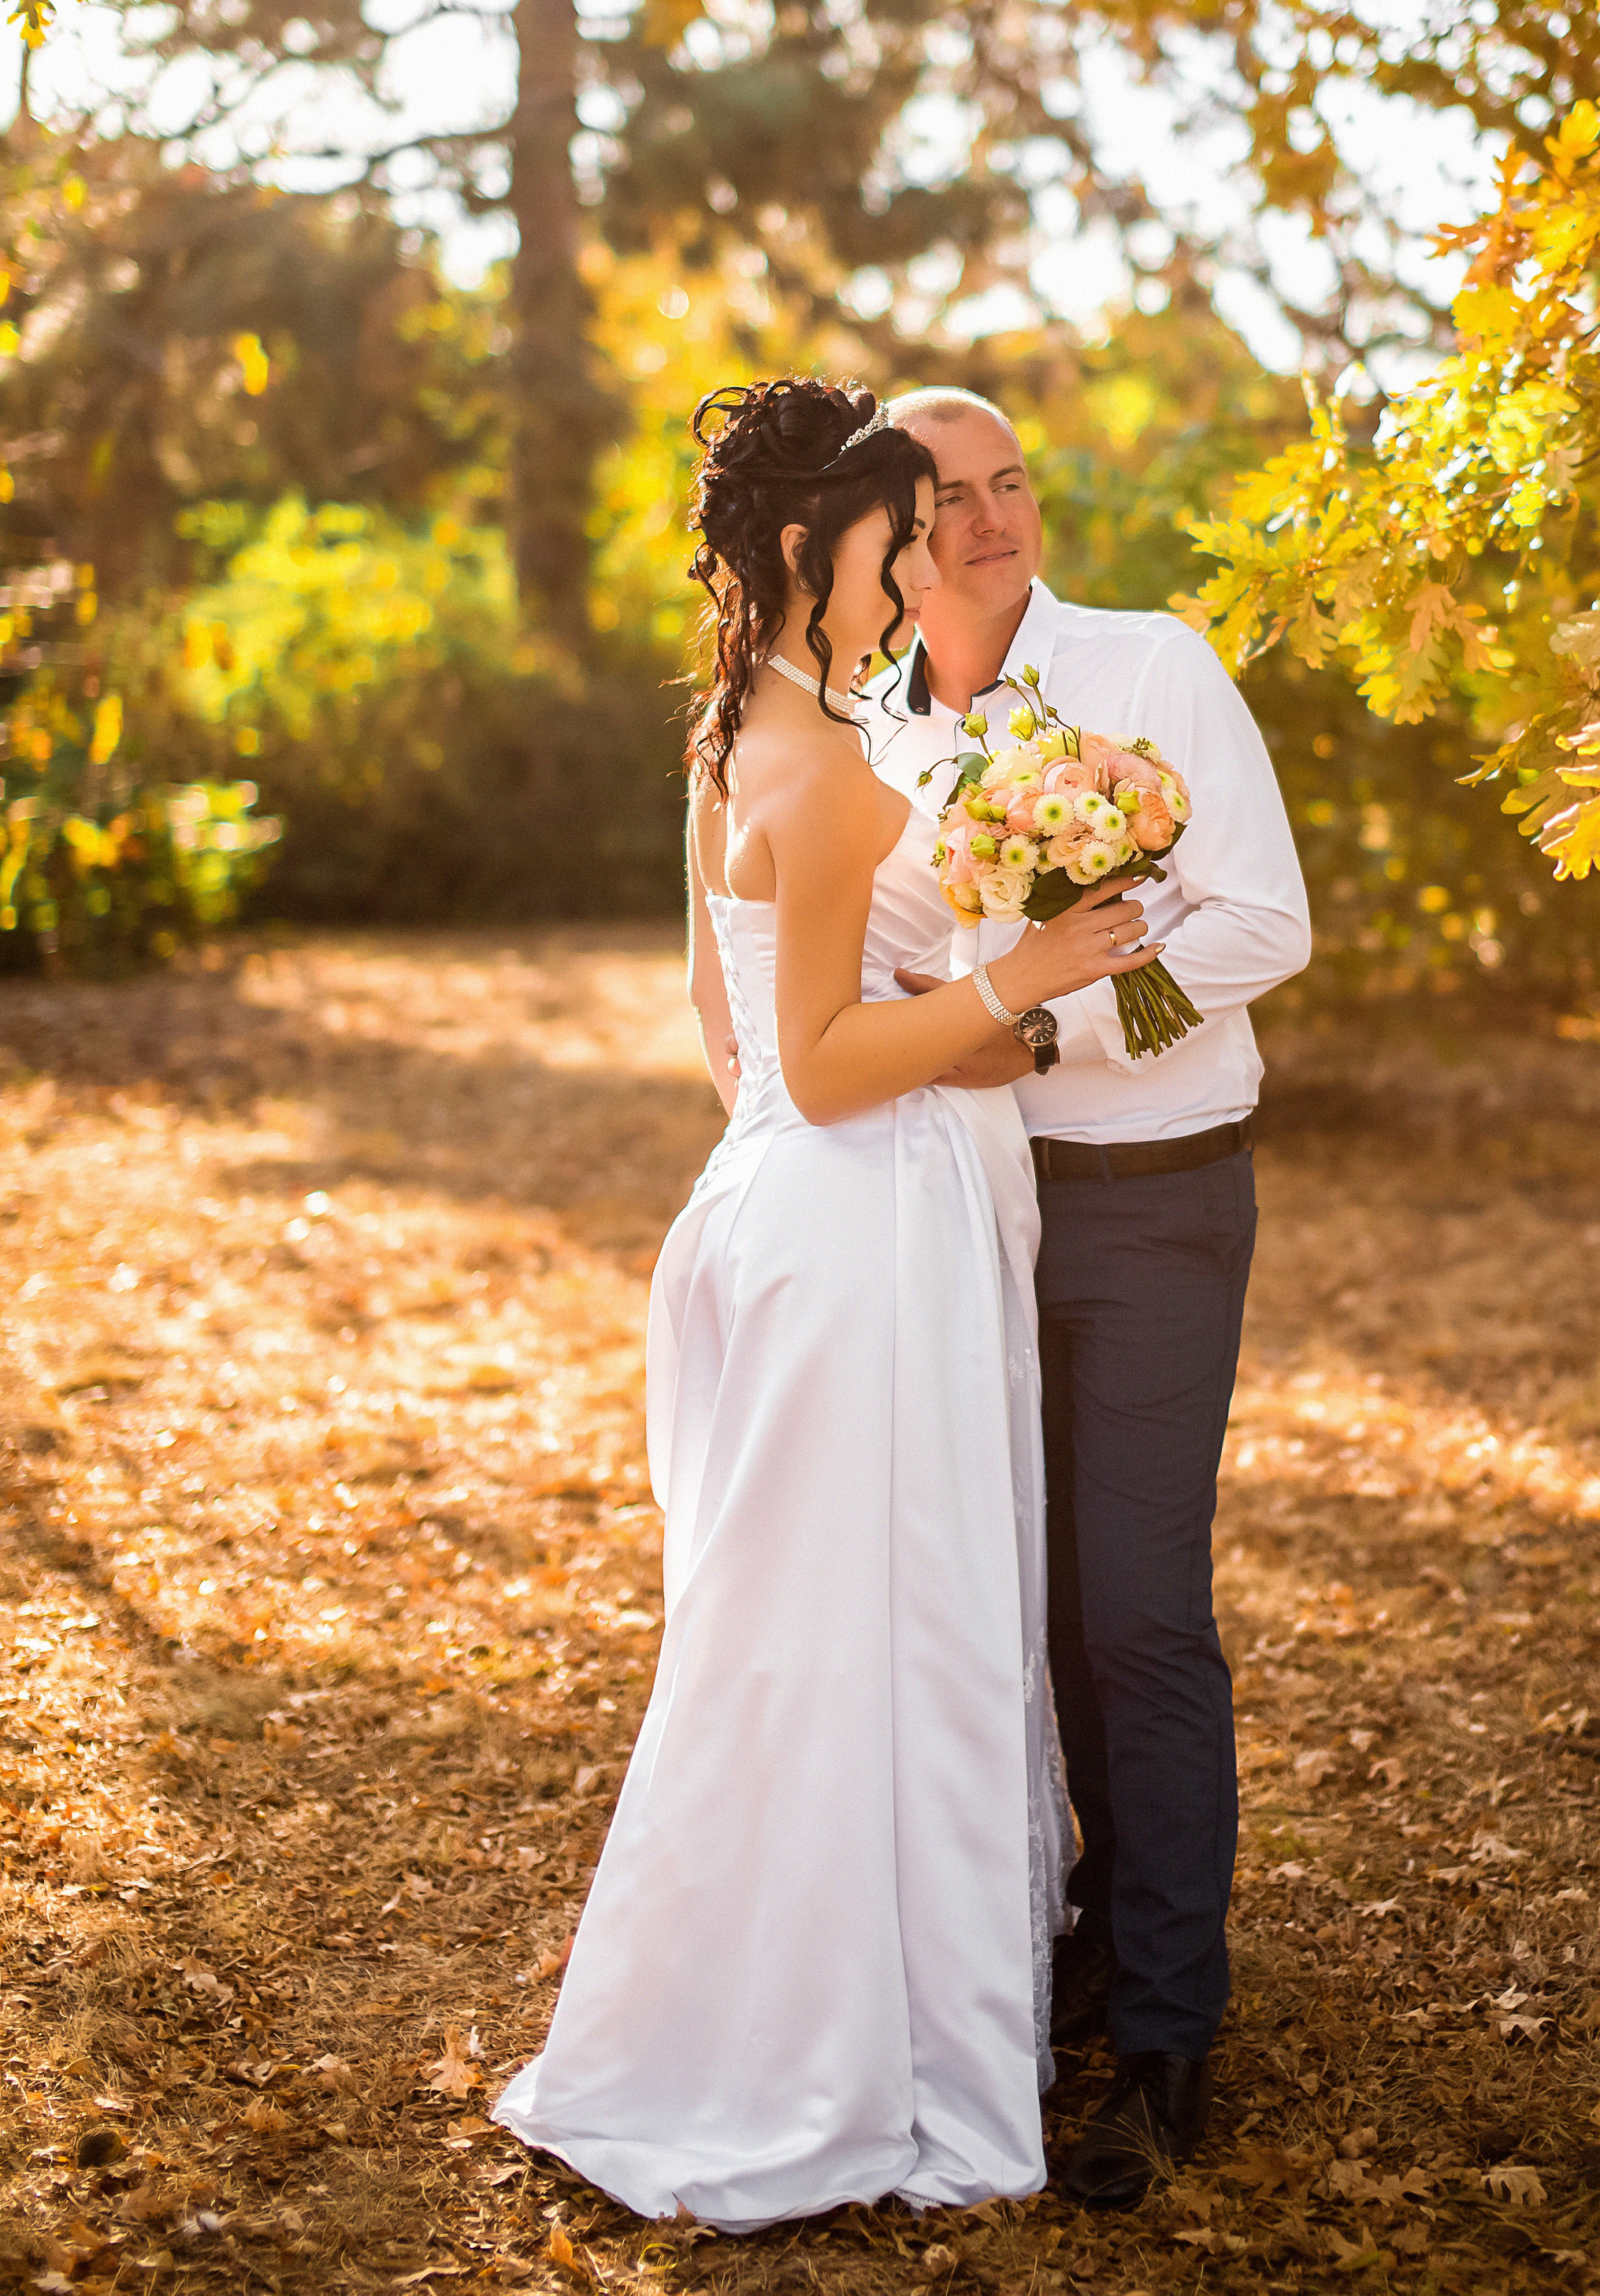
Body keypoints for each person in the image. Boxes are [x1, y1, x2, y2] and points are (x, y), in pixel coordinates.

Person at [493, 377, 1160, 2229]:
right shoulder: (830, 760)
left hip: (798, 1208)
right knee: (875, 1631)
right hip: (860, 1227)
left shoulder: (742, 731)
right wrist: (1018, 982)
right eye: (886, 553)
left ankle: (766, 2012)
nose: (905, 585)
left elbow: (737, 1042)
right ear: (808, 552)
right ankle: (836, 2050)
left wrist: (881, 1067)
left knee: (800, 1635)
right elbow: (831, 1053)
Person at [869, 387, 1311, 2213]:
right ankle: (1078, 1961)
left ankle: (1165, 2036)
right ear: (885, 546)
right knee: (1032, 1614)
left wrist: (1050, 1018)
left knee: (1137, 1615)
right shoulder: (863, 735)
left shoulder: (1146, 668)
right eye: (946, 502)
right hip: (965, 1217)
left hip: (1152, 1204)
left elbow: (1258, 925)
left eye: (1009, 485)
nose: (991, 522)